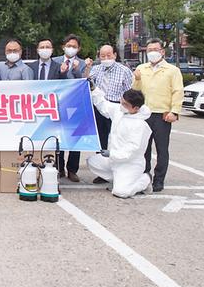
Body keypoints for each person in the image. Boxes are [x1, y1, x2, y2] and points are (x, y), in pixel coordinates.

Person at [132, 39, 183, 193]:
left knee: (162, 149)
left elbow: (178, 91)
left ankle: (159, 180)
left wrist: (175, 111)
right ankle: (144, 177)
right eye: (149, 50)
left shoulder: (172, 70)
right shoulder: (141, 68)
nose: (152, 52)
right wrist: (137, 79)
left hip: (163, 114)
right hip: (144, 115)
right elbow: (135, 91)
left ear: (162, 51)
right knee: (143, 148)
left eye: (155, 49)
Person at [87, 87, 152, 198]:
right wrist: (94, 90)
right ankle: (119, 179)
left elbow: (132, 150)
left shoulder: (140, 126)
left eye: (125, 104)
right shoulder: (120, 111)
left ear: (136, 108)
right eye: (121, 101)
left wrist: (112, 154)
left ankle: (145, 179)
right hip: (114, 160)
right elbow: (103, 105)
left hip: (130, 164)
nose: (121, 105)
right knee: (92, 161)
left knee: (121, 192)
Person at [83, 45, 134, 184]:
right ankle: (103, 172)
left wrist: (127, 110)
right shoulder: (96, 69)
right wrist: (87, 68)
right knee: (101, 139)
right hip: (99, 107)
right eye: (102, 56)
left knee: (117, 139)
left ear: (115, 55)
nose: (106, 58)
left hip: (117, 108)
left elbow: (129, 91)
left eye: (109, 55)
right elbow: (86, 82)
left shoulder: (124, 71)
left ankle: (118, 170)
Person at [53, 34, 86, 182]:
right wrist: (62, 71)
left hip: (76, 105)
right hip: (59, 104)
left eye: (74, 46)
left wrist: (77, 70)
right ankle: (59, 168)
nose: (71, 48)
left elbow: (84, 82)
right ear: (63, 47)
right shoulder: (55, 61)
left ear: (78, 48)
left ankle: (72, 170)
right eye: (68, 46)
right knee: (58, 137)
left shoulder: (83, 63)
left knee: (75, 138)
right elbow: (53, 80)